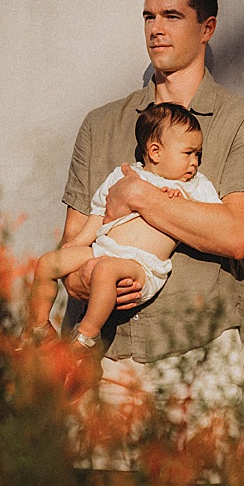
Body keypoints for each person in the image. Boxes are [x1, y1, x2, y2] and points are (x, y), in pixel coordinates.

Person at [35, 0, 244, 415]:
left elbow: (238, 235)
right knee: (99, 484)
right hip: (105, 362)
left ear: (207, 28)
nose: (156, 28)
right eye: (148, 17)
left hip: (199, 360)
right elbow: (73, 240)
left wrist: (141, 196)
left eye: (171, 15)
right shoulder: (102, 123)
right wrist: (81, 279)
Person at [39, 104, 221, 363]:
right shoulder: (124, 176)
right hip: (102, 249)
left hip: (142, 266)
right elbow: (98, 212)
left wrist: (181, 204)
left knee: (105, 271)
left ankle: (86, 337)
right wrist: (78, 242)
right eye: (189, 153)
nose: (195, 162)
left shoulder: (195, 186)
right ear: (155, 152)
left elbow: (215, 220)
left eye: (198, 155)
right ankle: (37, 328)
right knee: (48, 263)